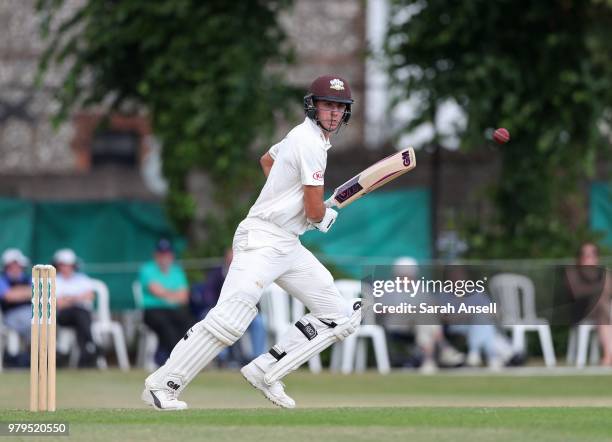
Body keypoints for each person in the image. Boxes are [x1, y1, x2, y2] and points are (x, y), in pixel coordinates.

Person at [142, 75, 362, 410]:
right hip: (262, 238)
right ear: (313, 106)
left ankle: (266, 370)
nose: (333, 113)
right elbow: (316, 211)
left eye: (339, 107)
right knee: (232, 317)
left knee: (340, 315)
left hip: (287, 243)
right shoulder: (310, 143)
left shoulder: (299, 137)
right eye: (327, 105)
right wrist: (321, 217)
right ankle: (162, 385)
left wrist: (285, 201)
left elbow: (267, 162)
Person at [190, 248, 267, 367]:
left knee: (259, 321)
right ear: (226, 259)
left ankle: (257, 358)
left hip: (242, 312)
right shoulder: (217, 273)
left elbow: (254, 296)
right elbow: (208, 294)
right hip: (220, 310)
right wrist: (220, 307)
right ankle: (222, 358)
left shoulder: (248, 274)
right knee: (215, 320)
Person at [139, 238, 194, 366]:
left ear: (171, 255)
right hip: (152, 309)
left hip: (173, 310)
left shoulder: (177, 271)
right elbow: (155, 291)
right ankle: (176, 360)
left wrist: (165, 293)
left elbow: (184, 297)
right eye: (161, 253)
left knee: (189, 323)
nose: (164, 257)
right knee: (166, 325)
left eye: (167, 253)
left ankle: (189, 358)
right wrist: (174, 294)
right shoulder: (147, 269)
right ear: (155, 255)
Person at [565, 242, 612, 366]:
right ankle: (608, 356)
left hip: (602, 313)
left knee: (603, 310)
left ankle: (608, 356)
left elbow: (607, 292)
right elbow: (578, 293)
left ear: (597, 257)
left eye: (591, 254)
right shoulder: (572, 272)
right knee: (603, 308)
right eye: (585, 254)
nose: (588, 257)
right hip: (582, 312)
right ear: (579, 257)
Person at [53, 248, 99, 367]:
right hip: (63, 316)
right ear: (58, 265)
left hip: (80, 315)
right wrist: (78, 298)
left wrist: (69, 299)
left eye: (69, 265)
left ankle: (84, 355)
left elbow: (91, 295)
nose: (66, 268)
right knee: (81, 314)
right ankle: (92, 344)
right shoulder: (53, 280)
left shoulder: (82, 278)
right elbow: (58, 304)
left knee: (81, 317)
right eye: (63, 265)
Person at [0, 249, 32, 365]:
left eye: (19, 265)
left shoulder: (27, 278)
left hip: (30, 312)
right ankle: (20, 357)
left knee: (40, 322)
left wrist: (17, 293)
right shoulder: (2, 279)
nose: (17, 268)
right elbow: (8, 296)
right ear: (8, 265)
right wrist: (27, 292)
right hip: (10, 316)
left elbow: (38, 291)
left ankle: (31, 356)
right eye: (15, 265)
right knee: (32, 321)